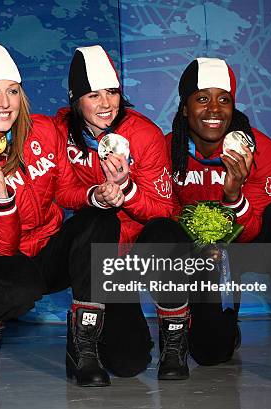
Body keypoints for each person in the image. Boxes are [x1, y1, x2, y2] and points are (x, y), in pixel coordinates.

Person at [0, 42, 125, 387]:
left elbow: (66, 191)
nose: (5, 102)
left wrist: (95, 194)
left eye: (13, 91)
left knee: (101, 219)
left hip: (47, 249)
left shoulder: (43, 129)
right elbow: (3, 244)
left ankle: (83, 348)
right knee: (18, 285)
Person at [139, 57, 271, 383]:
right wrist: (203, 240)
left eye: (224, 99)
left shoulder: (262, 149)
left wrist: (234, 195)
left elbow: (253, 225)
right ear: (184, 108)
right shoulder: (166, 150)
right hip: (200, 251)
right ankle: (185, 335)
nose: (214, 109)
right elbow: (165, 212)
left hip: (246, 241)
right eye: (202, 98)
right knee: (211, 353)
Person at [53, 45, 175, 377]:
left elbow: (164, 210)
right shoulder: (61, 129)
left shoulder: (144, 134)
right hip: (91, 249)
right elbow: (61, 191)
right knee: (97, 218)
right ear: (75, 99)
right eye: (93, 95)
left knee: (129, 364)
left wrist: (126, 191)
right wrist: (95, 195)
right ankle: (82, 341)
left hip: (130, 254)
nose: (106, 103)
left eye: (113, 92)